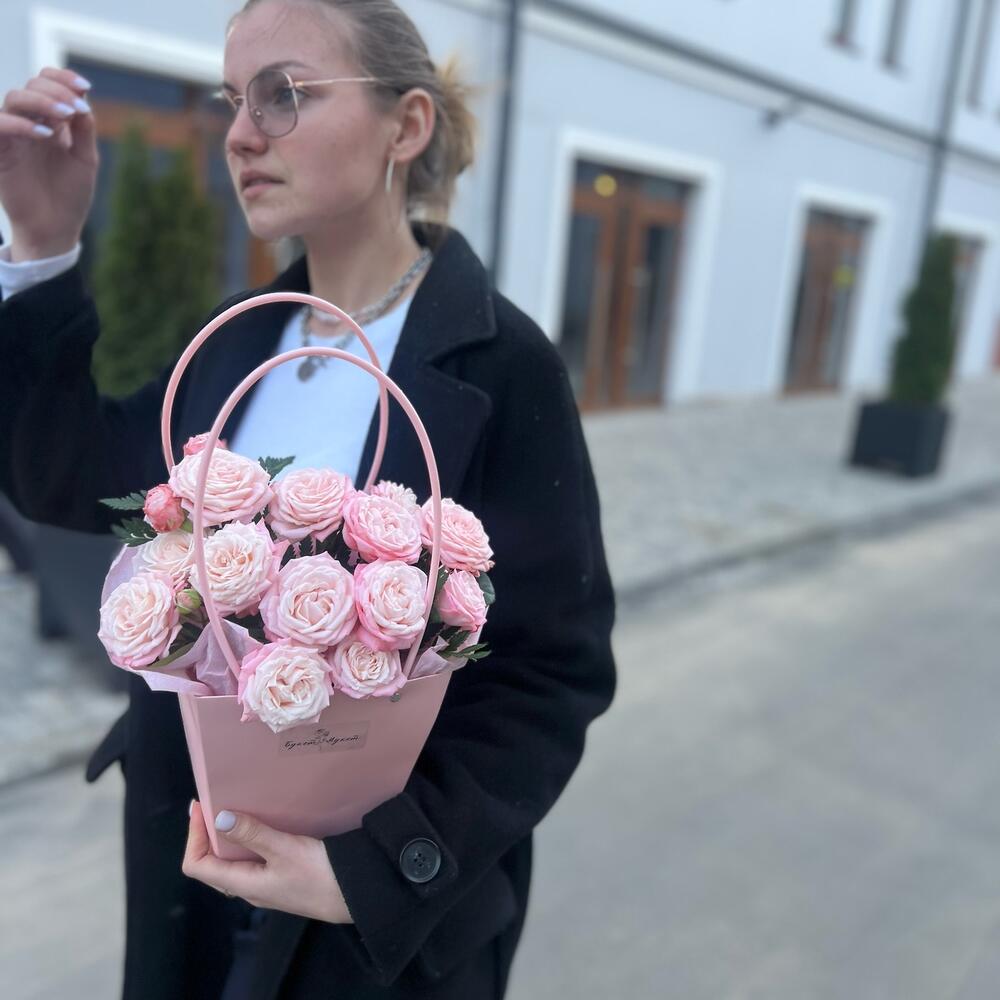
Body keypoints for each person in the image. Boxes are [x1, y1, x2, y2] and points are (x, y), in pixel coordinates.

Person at [0, 1, 616, 997]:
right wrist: (42, 244)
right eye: (233, 101)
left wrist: (375, 870)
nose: (241, 134)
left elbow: (552, 672)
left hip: (367, 934)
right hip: (195, 869)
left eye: (283, 95)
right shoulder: (241, 337)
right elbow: (66, 474)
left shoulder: (502, 365)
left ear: (405, 126)